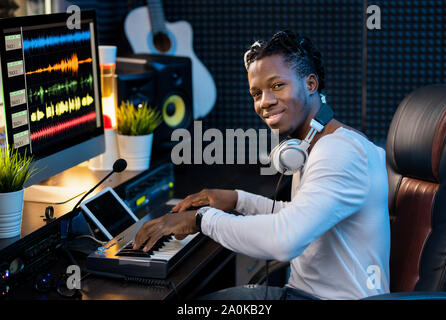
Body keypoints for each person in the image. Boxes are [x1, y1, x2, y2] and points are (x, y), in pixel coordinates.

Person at [132, 30, 391, 300]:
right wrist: (236, 199)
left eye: (277, 85)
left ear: (311, 84)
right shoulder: (315, 143)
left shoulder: (338, 152)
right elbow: (299, 215)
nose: (264, 102)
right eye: (256, 93)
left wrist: (201, 219)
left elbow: (285, 239)